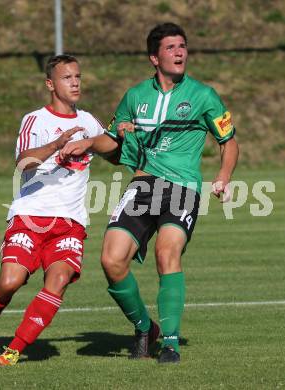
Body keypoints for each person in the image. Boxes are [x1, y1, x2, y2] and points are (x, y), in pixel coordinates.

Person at [60, 22, 239, 363]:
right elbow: (113, 144)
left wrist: (223, 175)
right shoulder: (135, 96)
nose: (179, 52)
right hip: (143, 186)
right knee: (111, 260)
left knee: (166, 252)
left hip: (182, 188)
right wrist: (89, 143)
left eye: (182, 46)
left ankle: (169, 342)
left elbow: (228, 141)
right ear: (154, 58)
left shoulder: (203, 96)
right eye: (171, 48)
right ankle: (146, 327)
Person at [0, 54, 104, 366]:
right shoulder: (35, 120)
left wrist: (119, 134)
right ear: (50, 84)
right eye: (67, 77)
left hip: (70, 223)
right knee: (10, 282)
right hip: (30, 216)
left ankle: (14, 349)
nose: (76, 82)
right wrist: (57, 144)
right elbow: (23, 163)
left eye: (78, 76)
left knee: (58, 280)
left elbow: (116, 152)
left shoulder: (90, 122)